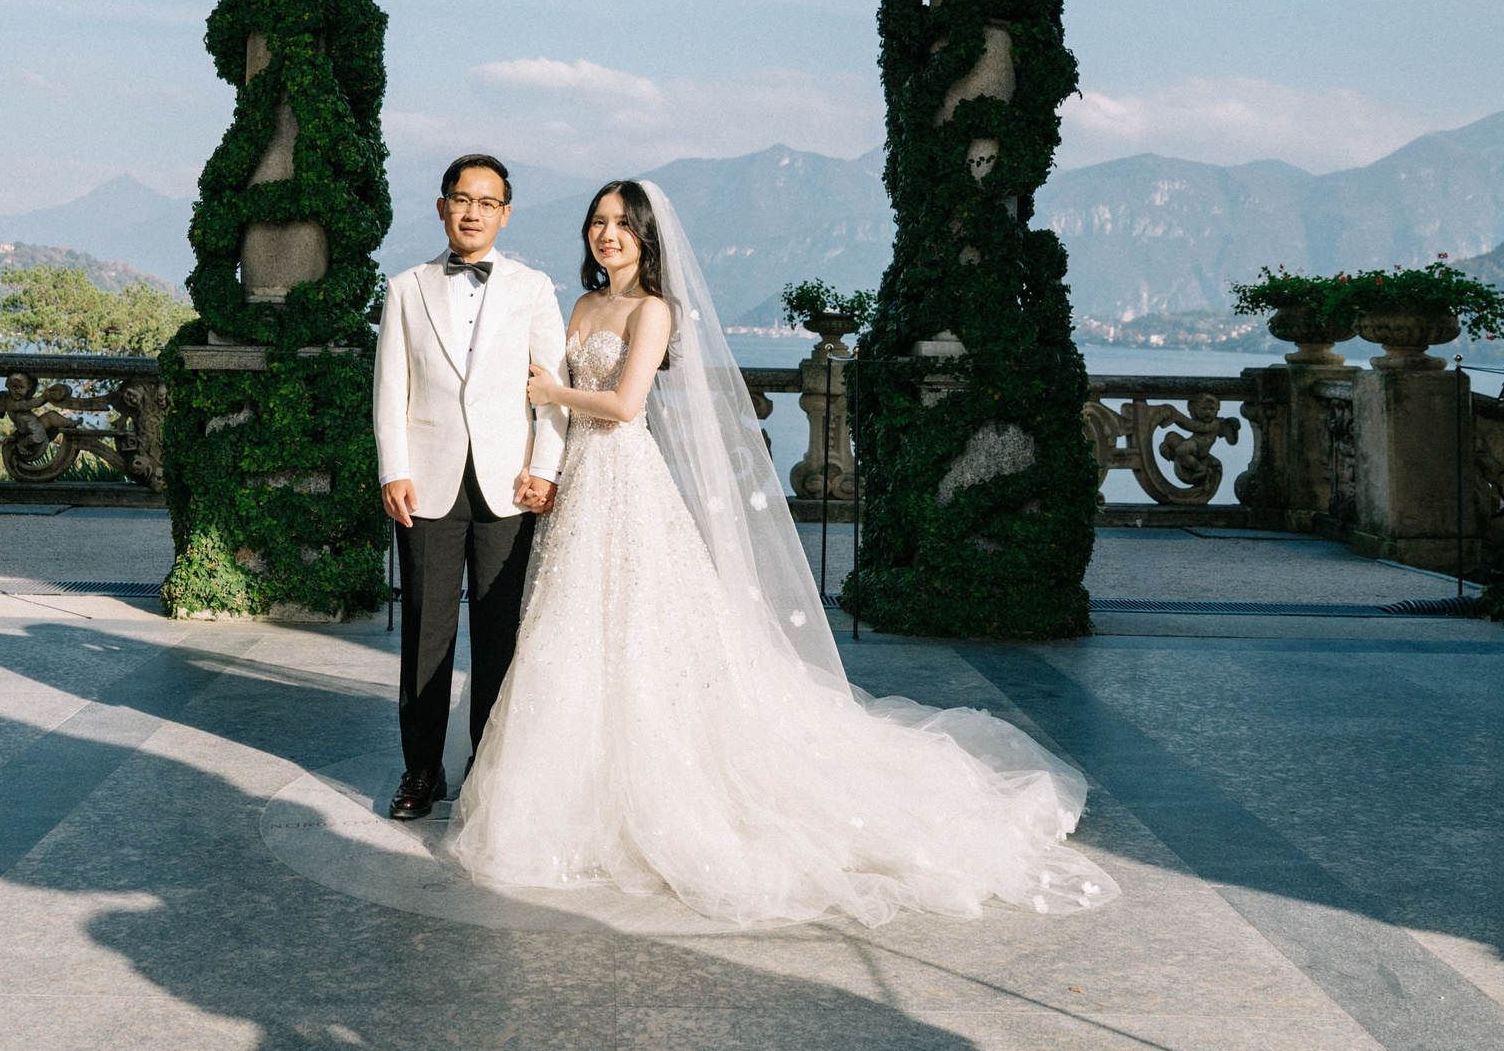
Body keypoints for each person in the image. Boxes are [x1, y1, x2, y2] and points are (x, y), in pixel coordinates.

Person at [444, 178, 1118, 926]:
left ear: (645, 237)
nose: (608, 235)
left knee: (645, 632)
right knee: (571, 635)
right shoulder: (582, 306)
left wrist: (551, 392)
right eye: (598, 223)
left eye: (622, 225)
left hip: (627, 479)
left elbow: (627, 403)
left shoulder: (653, 310)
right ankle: (571, 792)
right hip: (579, 484)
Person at [371, 153, 568, 822]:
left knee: (500, 634)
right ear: (441, 206)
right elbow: (388, 387)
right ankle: (421, 770)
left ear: (505, 213)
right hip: (424, 480)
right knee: (426, 631)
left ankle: (490, 773)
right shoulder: (405, 289)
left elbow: (554, 392)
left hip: (510, 482)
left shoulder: (535, 288)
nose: (473, 210)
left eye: (487, 201)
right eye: (461, 197)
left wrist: (544, 466)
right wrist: (393, 467)